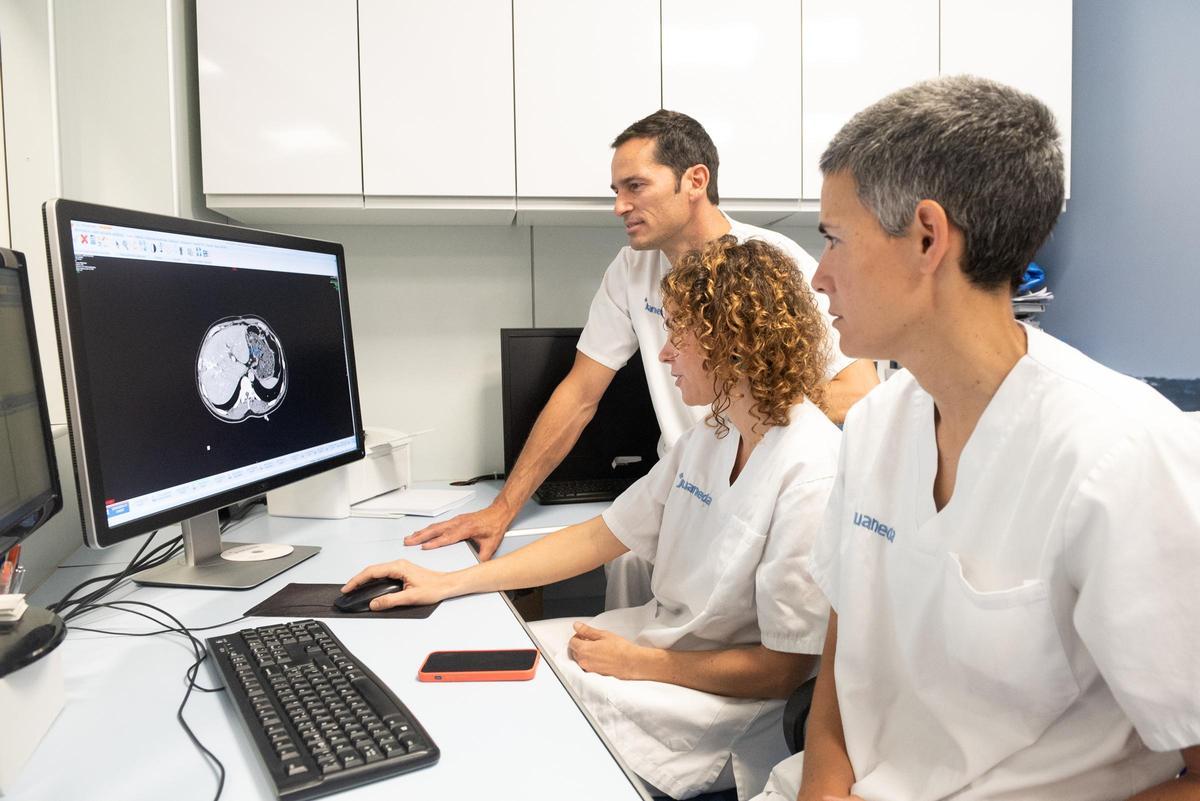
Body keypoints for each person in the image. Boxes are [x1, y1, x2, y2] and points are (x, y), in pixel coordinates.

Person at [756, 76, 1200, 801]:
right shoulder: (874, 428)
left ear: (927, 238)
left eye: (834, 239)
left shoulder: (1120, 455)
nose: (820, 277)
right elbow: (847, 658)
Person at [344, 237, 843, 799]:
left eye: (679, 334)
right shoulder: (714, 434)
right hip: (657, 649)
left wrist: (641, 663)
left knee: (517, 716)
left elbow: (781, 671)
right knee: (492, 661)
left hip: (719, 704)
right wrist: (449, 583)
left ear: (731, 344)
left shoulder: (811, 469)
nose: (664, 355)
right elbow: (599, 536)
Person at [405, 111, 878, 583]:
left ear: (694, 181)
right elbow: (580, 394)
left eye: (635, 186)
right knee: (632, 576)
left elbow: (860, 393)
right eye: (617, 190)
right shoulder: (633, 269)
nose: (619, 206)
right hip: (685, 479)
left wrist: (739, 419)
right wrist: (503, 508)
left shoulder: (771, 266)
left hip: (757, 486)